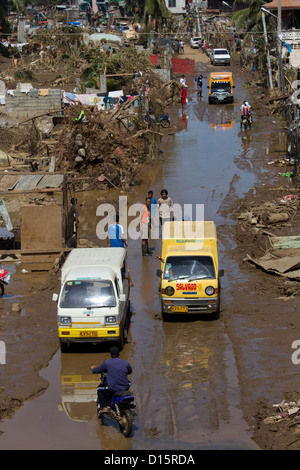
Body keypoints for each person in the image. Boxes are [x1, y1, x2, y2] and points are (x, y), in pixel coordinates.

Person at [91, 346, 132, 415]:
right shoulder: (126, 363)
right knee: (128, 383)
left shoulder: (107, 363)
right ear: (119, 354)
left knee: (99, 389)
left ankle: (104, 408)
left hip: (113, 388)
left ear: (110, 354)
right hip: (125, 387)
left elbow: (97, 370)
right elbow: (129, 371)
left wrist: (93, 368)